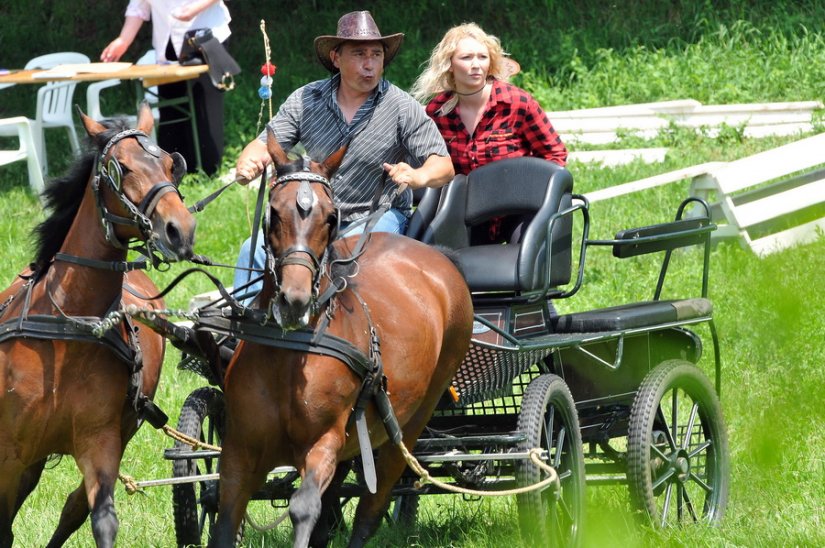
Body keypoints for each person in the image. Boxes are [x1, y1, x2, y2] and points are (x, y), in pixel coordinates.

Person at [232, 10, 454, 302]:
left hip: (376, 215)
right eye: (359, 54)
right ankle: (243, 331)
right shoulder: (306, 99)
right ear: (336, 58)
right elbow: (264, 143)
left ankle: (344, 338)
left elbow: (444, 165)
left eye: (376, 55)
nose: (370, 64)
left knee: (347, 256)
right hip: (315, 215)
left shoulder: (401, 107)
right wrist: (250, 160)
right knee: (255, 248)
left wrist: (417, 175)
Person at [411, 22, 568, 243]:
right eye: (466, 58)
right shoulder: (437, 112)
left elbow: (555, 154)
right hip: (467, 210)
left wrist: (536, 196)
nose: (476, 65)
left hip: (517, 209)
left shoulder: (517, 102)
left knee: (522, 257)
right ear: (449, 65)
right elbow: (431, 163)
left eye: (482, 57)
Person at [101, 0, 232, 176]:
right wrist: (123, 40)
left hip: (206, 38)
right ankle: (173, 173)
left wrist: (193, 9)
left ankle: (209, 173)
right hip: (168, 47)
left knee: (205, 110)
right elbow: (138, 7)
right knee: (171, 111)